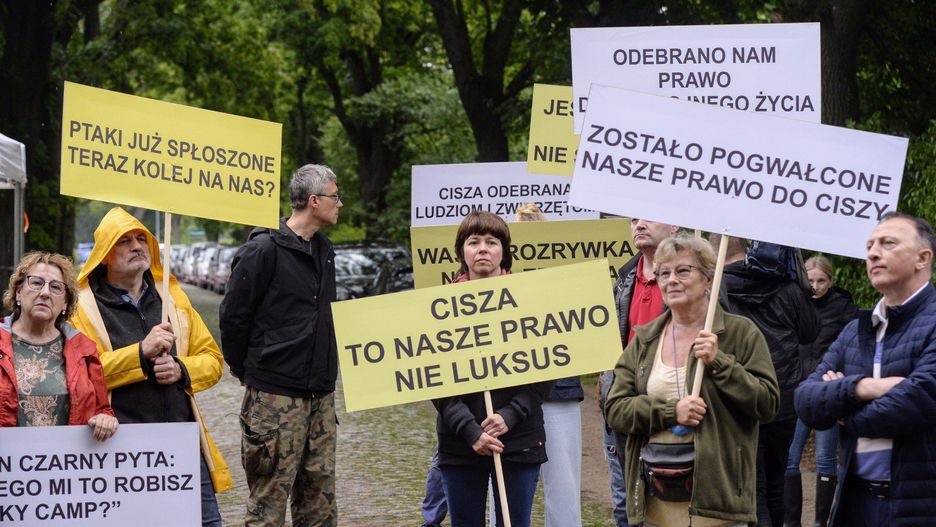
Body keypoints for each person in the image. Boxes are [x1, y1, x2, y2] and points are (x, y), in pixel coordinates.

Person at [605, 234, 780, 526]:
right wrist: (671, 411)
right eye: (664, 273)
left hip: (717, 505)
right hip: (656, 503)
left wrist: (721, 363)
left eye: (683, 271)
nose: (671, 279)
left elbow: (768, 404)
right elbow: (615, 409)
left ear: (709, 279)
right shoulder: (645, 339)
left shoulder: (740, 334)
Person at [71, 207, 231, 526]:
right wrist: (140, 354)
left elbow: (212, 360)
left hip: (182, 446)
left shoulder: (171, 298)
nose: (137, 246)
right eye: (124, 241)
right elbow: (81, 374)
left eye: (141, 238)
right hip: (121, 450)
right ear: (104, 253)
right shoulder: (82, 308)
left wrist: (181, 370)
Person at [795, 212, 936, 527]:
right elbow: (806, 400)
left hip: (918, 508)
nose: (872, 252)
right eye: (870, 245)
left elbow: (918, 400)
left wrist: (842, 415)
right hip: (854, 503)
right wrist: (862, 388)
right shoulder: (856, 330)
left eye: (888, 244)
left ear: (922, 258)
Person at [220, 163, 342, 526]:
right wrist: (251, 371)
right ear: (314, 200)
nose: (340, 204)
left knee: (319, 501)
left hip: (320, 394)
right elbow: (234, 318)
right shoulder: (263, 250)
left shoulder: (324, 251)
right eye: (335, 197)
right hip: (275, 396)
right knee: (268, 502)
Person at [433, 211, 551, 527]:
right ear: (461, 252)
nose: (483, 249)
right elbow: (432, 380)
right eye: (474, 242)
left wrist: (509, 416)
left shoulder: (530, 301)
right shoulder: (437, 307)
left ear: (504, 250)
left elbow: (546, 371)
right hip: (460, 443)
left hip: (520, 438)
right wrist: (472, 431)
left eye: (491, 241)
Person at [716, 235, 819, 527]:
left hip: (742, 393)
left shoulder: (717, 289)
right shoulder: (788, 288)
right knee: (777, 478)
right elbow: (809, 333)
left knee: (752, 483)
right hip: (783, 395)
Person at [599, 218, 678, 527]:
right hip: (623, 402)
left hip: (665, 400)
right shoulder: (625, 277)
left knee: (667, 495)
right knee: (625, 502)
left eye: (648, 216)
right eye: (633, 219)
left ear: (674, 226)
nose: (639, 224)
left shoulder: (689, 279)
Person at [516, 202, 584, 527]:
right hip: (512, 396)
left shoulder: (566, 277)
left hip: (559, 391)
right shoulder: (498, 279)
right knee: (509, 484)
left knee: (564, 485)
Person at [1, 251, 117, 440]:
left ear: (65, 303)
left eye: (56, 287)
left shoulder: (84, 350)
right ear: (18, 292)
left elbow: (101, 409)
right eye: (37, 283)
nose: (45, 293)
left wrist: (105, 419)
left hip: (63, 466)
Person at [783, 256, 858, 527]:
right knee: (790, 458)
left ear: (830, 280)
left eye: (821, 281)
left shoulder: (843, 307)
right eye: (810, 280)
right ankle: (790, 522)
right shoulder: (793, 302)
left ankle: (821, 523)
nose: (815, 286)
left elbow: (855, 345)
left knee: (826, 459)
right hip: (797, 390)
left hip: (826, 392)